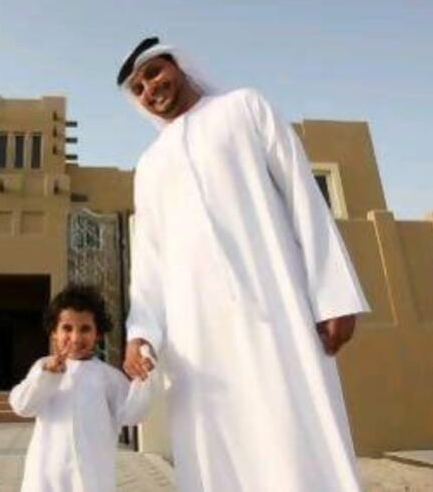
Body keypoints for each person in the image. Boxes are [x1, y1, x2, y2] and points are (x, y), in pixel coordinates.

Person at [118, 37, 370, 491]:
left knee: (293, 423)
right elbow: (149, 256)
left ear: (178, 63)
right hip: (197, 334)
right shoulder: (150, 165)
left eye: (154, 72)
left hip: (276, 306)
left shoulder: (243, 107)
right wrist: (141, 333)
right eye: (138, 87)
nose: (150, 88)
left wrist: (333, 294)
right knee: (217, 443)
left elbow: (302, 195)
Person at [9, 284, 156, 492]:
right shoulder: (43, 367)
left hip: (91, 479)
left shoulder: (108, 377)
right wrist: (47, 376)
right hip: (45, 477)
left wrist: (142, 380)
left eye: (85, 329)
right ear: (54, 332)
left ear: (98, 334)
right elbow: (22, 406)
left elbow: (132, 415)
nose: (76, 338)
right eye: (67, 328)